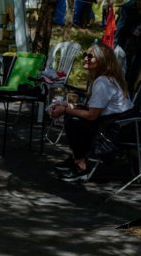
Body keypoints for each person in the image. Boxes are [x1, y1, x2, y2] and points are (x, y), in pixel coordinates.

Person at [48, 41, 134, 182]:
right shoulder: (106, 78)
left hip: (119, 129)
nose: (86, 58)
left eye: (90, 56)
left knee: (73, 120)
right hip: (122, 123)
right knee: (73, 115)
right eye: (85, 55)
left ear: (101, 62)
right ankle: (77, 158)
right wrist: (69, 106)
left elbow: (92, 115)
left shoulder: (103, 82)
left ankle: (81, 165)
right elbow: (96, 108)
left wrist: (65, 110)